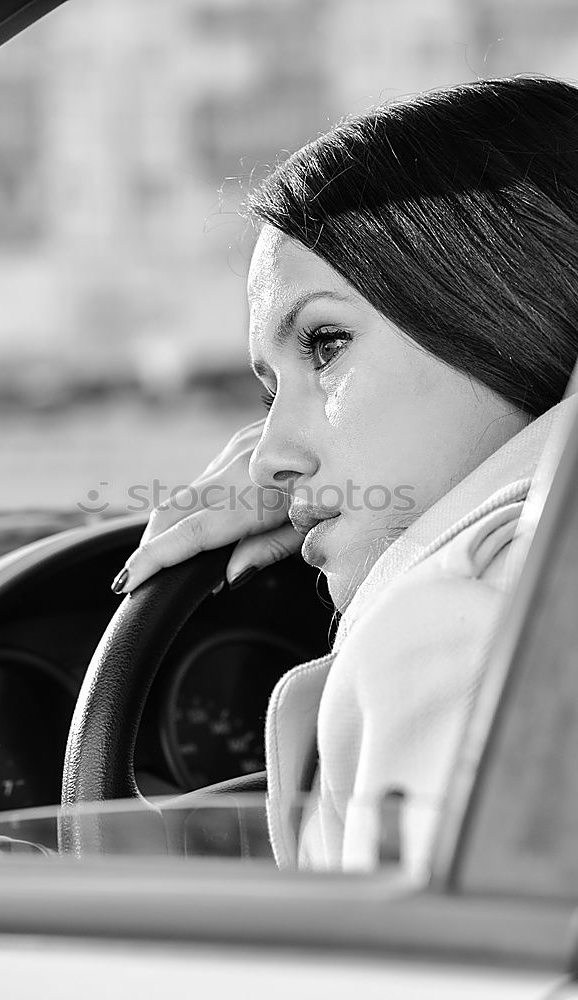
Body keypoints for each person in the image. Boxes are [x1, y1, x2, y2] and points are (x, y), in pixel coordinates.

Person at [110, 76, 578, 876]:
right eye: (268, 391)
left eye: (325, 345)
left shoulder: (461, 627)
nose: (266, 456)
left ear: (520, 311)